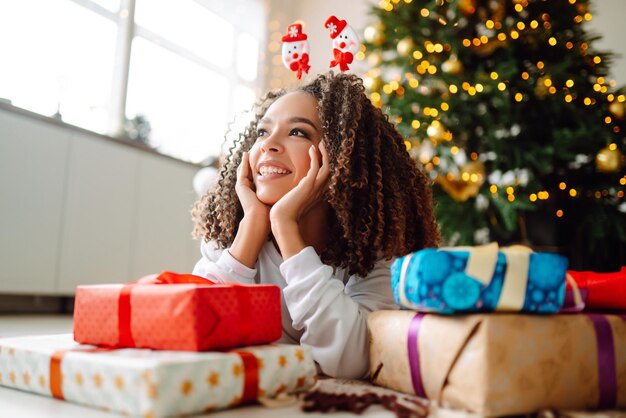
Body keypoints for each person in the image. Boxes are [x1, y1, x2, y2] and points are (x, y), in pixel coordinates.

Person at [191, 72, 439, 378]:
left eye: (298, 132)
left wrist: (285, 227)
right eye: (262, 132)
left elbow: (351, 361)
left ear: (343, 160)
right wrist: (251, 229)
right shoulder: (229, 235)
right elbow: (195, 330)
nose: (268, 144)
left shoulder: (374, 252)